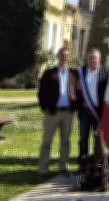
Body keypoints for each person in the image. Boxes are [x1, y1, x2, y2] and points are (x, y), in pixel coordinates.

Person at [37, 47, 77, 176]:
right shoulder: (49, 73)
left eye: (66, 56)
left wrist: (75, 106)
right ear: (58, 57)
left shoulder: (74, 74)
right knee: (47, 141)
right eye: (62, 56)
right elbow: (41, 93)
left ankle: (63, 166)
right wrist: (45, 108)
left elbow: (79, 92)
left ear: (69, 58)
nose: (64, 58)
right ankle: (43, 168)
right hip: (52, 112)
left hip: (68, 113)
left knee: (65, 141)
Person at [76, 48, 109, 162]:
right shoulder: (81, 72)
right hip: (85, 112)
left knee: (99, 138)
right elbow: (75, 91)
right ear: (87, 59)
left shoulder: (106, 72)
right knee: (83, 137)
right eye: (90, 58)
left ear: (99, 59)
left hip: (99, 112)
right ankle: (83, 162)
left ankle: (98, 161)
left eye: (95, 58)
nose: (92, 60)